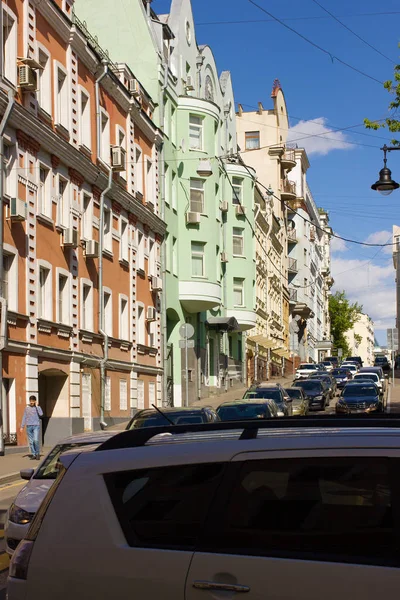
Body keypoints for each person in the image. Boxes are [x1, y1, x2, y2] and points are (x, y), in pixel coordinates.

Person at [20, 395, 43, 460]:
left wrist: (38, 406)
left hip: (36, 426)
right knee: (31, 441)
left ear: (35, 401)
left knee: (35, 440)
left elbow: (41, 414)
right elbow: (24, 417)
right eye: (30, 401)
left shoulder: (37, 407)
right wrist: (22, 426)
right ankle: (33, 454)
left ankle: (37, 453)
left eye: (33, 401)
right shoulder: (27, 408)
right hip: (29, 426)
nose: (31, 402)